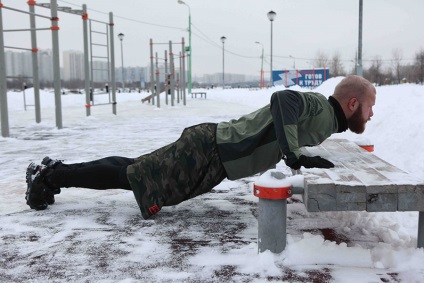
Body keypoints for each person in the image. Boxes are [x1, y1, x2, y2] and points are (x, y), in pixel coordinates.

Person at [25, 75, 376, 219]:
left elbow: (287, 124)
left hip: (214, 154)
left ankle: (54, 173)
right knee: (133, 176)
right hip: (211, 150)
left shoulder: (327, 120)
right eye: (371, 107)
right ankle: (50, 176)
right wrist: (292, 153)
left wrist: (299, 151)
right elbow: (282, 99)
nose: (372, 115)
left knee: (133, 169)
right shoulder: (319, 106)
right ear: (354, 103)